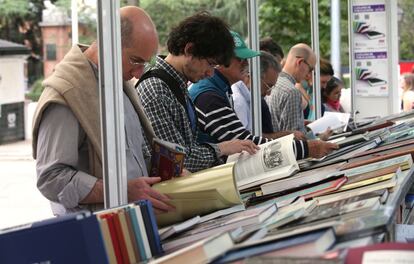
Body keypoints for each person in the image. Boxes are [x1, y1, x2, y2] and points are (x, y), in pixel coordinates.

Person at [32, 7, 175, 216]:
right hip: (95, 231)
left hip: (133, 220)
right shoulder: (66, 92)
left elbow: (136, 157)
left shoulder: (118, 84)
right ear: (109, 43)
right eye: (135, 61)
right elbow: (51, 179)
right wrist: (119, 191)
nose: (138, 73)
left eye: (145, 63)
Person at [136, 12, 259, 173]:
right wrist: (221, 148)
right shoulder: (157, 89)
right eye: (210, 64)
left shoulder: (176, 85)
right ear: (189, 49)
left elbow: (185, 149)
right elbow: (176, 160)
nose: (210, 73)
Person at [189, 32, 338, 159]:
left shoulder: (220, 90)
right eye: (240, 59)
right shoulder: (209, 95)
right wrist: (306, 149)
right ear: (219, 60)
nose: (246, 63)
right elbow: (245, 143)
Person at [266, 43, 317, 133]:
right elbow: (294, 141)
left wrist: (301, 123)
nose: (309, 75)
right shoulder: (291, 92)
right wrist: (320, 137)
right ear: (300, 62)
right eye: (310, 69)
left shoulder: (273, 82)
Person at [232, 51, 281, 135]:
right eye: (268, 86)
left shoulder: (247, 98)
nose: (269, 93)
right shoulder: (239, 102)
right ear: (252, 77)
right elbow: (246, 141)